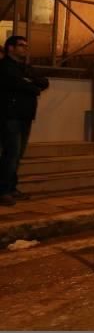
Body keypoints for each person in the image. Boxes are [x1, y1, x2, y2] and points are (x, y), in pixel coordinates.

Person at [0, 35, 49, 206]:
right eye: (21, 45)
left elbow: (44, 82)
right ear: (11, 48)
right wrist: (32, 86)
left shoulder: (26, 67)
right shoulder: (5, 66)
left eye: (26, 45)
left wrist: (30, 83)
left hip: (25, 115)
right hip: (10, 115)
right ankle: (4, 191)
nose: (25, 48)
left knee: (18, 154)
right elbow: (16, 84)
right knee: (11, 153)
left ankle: (11, 188)